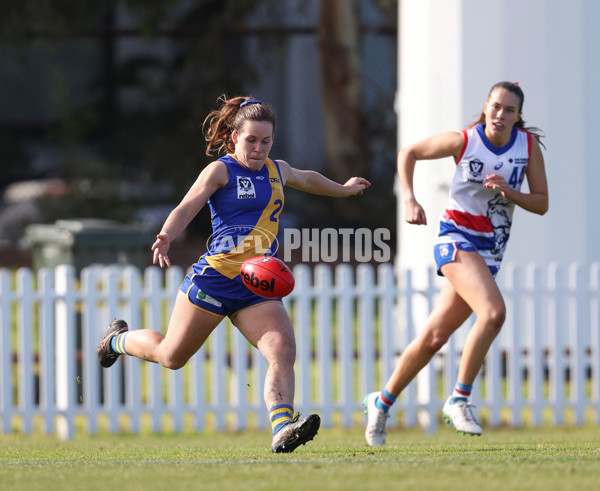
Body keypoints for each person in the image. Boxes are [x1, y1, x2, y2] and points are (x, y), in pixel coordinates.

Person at [97, 94, 370, 453]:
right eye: (251, 140)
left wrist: (344, 189)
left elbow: (307, 179)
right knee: (171, 357)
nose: (259, 148)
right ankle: (117, 340)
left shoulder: (278, 170)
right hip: (213, 279)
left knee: (282, 350)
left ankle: (283, 427)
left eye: (266, 141)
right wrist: (165, 236)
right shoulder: (221, 171)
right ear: (234, 138)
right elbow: (187, 205)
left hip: (254, 283)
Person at [363, 81, 549, 444]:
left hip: (489, 251)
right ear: (486, 107)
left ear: (518, 116)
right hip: (455, 239)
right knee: (494, 312)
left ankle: (381, 402)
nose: (500, 114)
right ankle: (459, 398)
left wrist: (510, 192)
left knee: (434, 337)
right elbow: (409, 152)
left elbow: (542, 202)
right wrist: (410, 199)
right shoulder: (464, 141)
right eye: (495, 106)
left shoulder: (527, 148)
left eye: (509, 110)